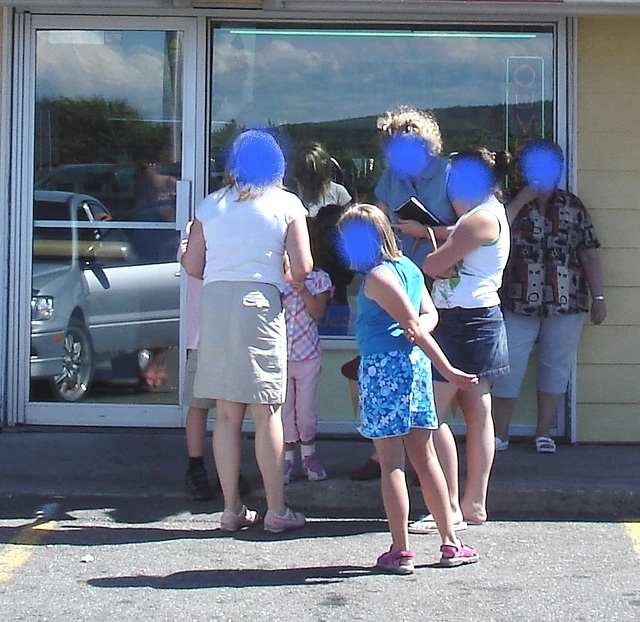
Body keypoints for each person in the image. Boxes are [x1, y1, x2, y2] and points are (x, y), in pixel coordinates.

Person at [181, 129, 313, 533]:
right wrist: (283, 272)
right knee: (267, 410)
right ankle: (276, 510)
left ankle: (231, 509)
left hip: (217, 302)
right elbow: (303, 266)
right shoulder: (287, 204)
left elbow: (191, 264)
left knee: (225, 413)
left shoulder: (210, 204)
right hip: (260, 302)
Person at [337, 203, 479, 574]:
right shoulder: (409, 269)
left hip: (386, 370)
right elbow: (428, 316)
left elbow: (414, 327)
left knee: (392, 463)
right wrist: (417, 328)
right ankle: (450, 543)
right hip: (413, 371)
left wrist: (447, 368)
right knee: (424, 455)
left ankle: (400, 550)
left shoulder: (377, 278)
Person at [350, 105, 457, 480]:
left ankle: (421, 459)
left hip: (439, 279)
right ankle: (385, 454)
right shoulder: (389, 178)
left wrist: (423, 231)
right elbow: (380, 224)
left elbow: (471, 229)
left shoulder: (448, 175)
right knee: (386, 359)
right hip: (397, 275)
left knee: (427, 370)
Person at [413, 148, 512, 531]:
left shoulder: (479, 219)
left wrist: (440, 259)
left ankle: (451, 506)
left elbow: (432, 265)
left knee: (433, 414)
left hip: (464, 322)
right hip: (478, 319)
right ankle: (473, 503)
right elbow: (445, 256)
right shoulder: (482, 215)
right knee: (477, 413)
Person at [492, 140, 606, 454]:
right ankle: (500, 434)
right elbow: (492, 234)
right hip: (517, 299)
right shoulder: (508, 204)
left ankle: (544, 432)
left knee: (556, 365)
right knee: (508, 365)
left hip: (566, 299)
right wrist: (521, 200)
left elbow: (589, 255)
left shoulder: (573, 205)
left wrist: (598, 297)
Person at [178, 223, 250, 500]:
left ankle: (228, 469)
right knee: (198, 405)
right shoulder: (196, 228)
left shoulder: (244, 227)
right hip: (202, 332)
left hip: (235, 329)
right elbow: (191, 264)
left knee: (230, 407)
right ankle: (195, 465)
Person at [282, 231, 333, 484]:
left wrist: (302, 291)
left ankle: (309, 454)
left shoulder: (319, 279)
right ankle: (286, 458)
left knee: (305, 410)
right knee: (283, 410)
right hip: (279, 355)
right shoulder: (276, 278)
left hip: (307, 354)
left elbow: (317, 313)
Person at [291, 142, 352, 217]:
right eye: (307, 169)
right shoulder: (291, 195)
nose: (311, 175)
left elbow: (348, 222)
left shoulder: (338, 192)